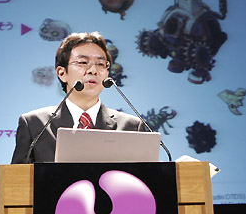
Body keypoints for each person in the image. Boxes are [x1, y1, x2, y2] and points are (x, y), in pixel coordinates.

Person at [11, 32, 146, 164]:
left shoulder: (131, 127)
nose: (93, 70)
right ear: (62, 73)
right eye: (83, 62)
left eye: (100, 64)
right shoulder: (35, 124)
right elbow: (16, 177)